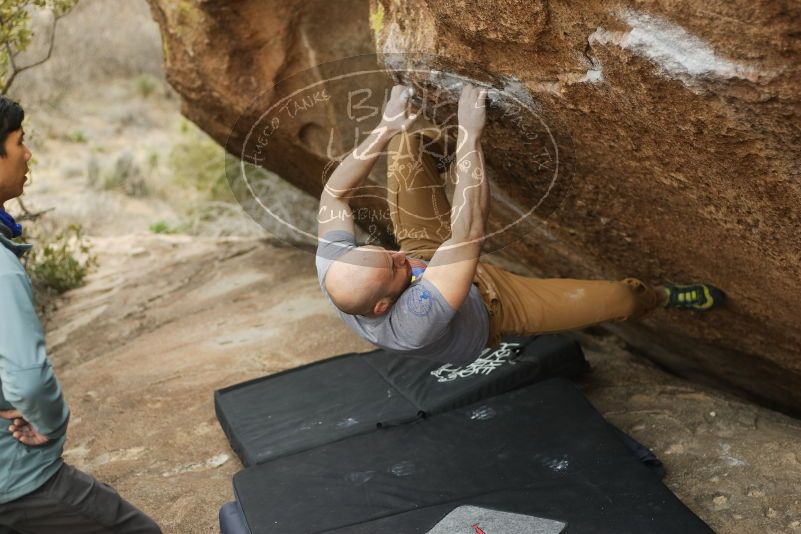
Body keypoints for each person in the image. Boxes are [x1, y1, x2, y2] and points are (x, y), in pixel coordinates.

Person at [316, 83, 725, 364]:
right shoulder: (411, 324)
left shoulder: (338, 269)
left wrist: (384, 128)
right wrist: (470, 137)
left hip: (435, 252)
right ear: (383, 305)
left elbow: (334, 194)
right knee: (622, 300)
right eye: (393, 265)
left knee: (407, 142)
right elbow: (468, 234)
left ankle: (434, 147)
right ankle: (661, 297)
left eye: (382, 250)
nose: (396, 252)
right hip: (493, 305)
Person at [0, 96, 161, 533]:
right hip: (17, 479)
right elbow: (28, 377)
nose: (29, 155)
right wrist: (49, 424)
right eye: (20, 142)